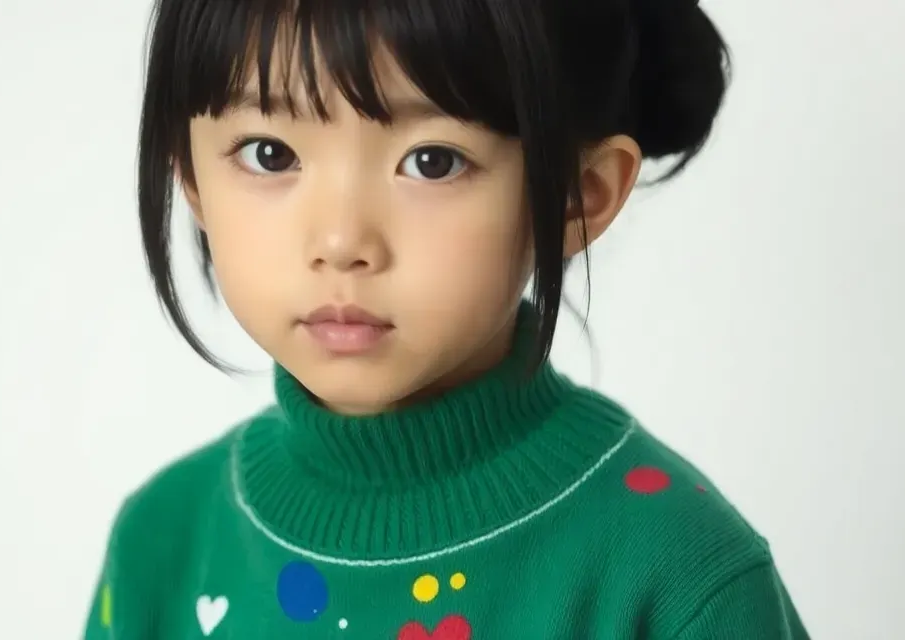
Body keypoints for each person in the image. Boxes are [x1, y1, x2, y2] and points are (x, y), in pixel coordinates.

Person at [85, 0, 808, 637]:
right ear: (190, 174)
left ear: (574, 196)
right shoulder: (164, 541)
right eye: (270, 154)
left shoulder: (678, 577)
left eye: (433, 161)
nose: (341, 242)